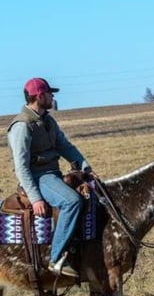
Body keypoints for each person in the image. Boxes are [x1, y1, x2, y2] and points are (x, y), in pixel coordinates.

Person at [7, 77, 93, 278]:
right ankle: (56, 258)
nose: (52, 96)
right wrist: (36, 198)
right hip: (39, 177)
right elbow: (21, 166)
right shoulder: (22, 125)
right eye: (49, 93)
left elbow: (65, 146)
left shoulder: (47, 120)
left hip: (53, 174)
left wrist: (86, 169)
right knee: (72, 202)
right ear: (39, 96)